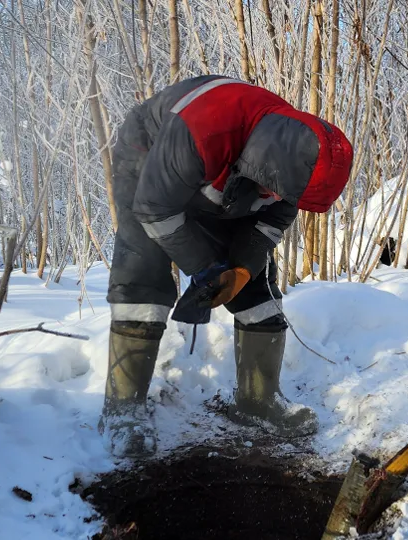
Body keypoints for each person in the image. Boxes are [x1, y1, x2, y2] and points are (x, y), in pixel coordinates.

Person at [99, 74, 354, 457]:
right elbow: (154, 209)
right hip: (150, 156)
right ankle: (123, 410)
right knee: (143, 270)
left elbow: (268, 225)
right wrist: (205, 268)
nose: (282, 199)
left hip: (228, 177)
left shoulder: (293, 166)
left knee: (255, 283)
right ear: (270, 168)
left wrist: (241, 271)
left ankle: (258, 403)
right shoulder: (203, 129)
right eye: (279, 192)